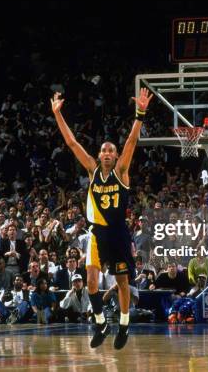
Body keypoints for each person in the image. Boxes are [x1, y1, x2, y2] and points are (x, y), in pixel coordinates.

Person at [52, 88, 153, 349]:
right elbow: (72, 143)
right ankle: (100, 322)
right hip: (97, 232)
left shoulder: (121, 171)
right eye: (103, 150)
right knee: (91, 282)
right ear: (98, 155)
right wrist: (57, 115)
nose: (107, 153)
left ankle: (124, 324)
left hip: (118, 232)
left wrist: (140, 114)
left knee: (122, 282)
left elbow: (131, 142)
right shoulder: (91, 169)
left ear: (116, 155)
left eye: (111, 150)